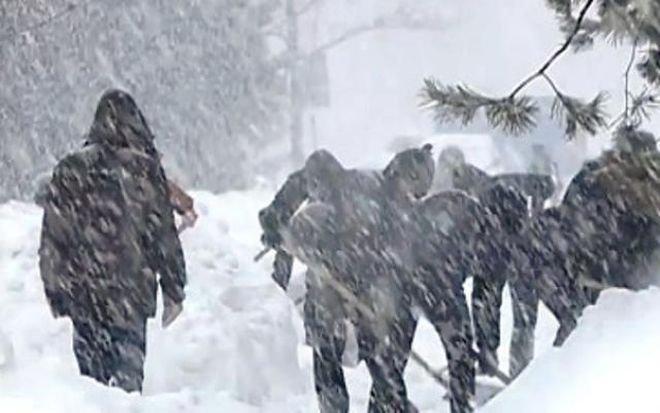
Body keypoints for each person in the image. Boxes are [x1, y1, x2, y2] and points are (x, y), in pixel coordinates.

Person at [38, 89, 187, 392]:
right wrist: (174, 287)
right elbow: (163, 236)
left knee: (92, 393)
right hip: (130, 300)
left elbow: (54, 237)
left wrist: (55, 290)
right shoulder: (145, 171)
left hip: (84, 297)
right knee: (126, 392)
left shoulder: (71, 169)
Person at [433, 146, 554, 378]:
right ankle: (514, 367)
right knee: (517, 316)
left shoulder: (483, 188)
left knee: (496, 307)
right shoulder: (496, 183)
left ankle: (498, 359)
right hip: (511, 252)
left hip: (501, 252)